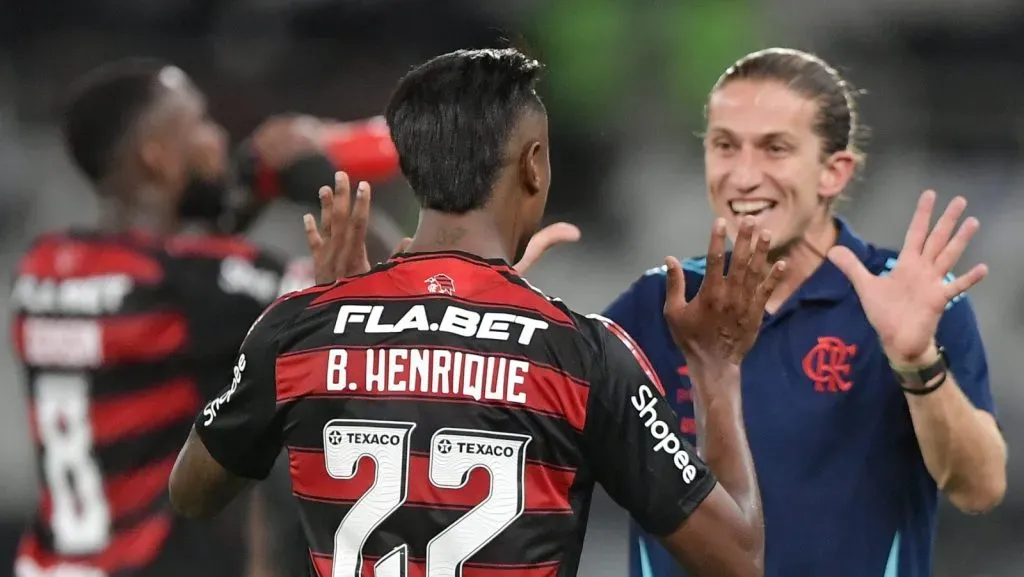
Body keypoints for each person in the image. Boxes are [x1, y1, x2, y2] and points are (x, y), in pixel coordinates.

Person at [167, 47, 789, 577]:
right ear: (534, 164)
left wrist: (334, 320)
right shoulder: (583, 355)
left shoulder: (295, 329)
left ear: (410, 170)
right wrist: (716, 365)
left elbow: (192, 492)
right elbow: (737, 557)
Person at [600, 48, 1006, 577]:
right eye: (725, 145)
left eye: (775, 148)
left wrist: (915, 361)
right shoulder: (658, 304)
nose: (743, 175)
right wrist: (488, 298)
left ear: (834, 172)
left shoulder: (916, 301)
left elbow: (980, 488)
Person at [8, 57, 348, 577]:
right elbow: (382, 300)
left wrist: (237, 200)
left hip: (48, 563)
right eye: (200, 124)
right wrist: (322, 182)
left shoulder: (41, 268)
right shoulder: (193, 283)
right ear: (157, 158)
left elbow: (180, 261)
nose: (218, 140)